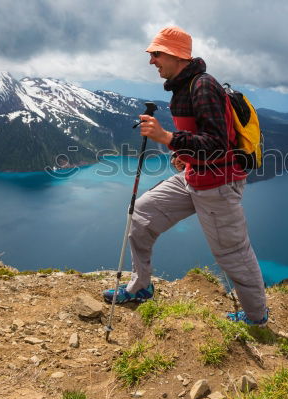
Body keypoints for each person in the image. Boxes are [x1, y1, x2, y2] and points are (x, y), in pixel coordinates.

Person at [102, 26, 269, 325]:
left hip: (219, 184)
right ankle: (141, 287)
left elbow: (217, 144)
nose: (152, 61)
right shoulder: (182, 86)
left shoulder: (203, 86)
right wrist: (183, 153)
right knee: (141, 214)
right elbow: (200, 137)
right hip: (195, 176)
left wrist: (167, 137)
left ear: (176, 54)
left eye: (156, 54)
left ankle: (257, 319)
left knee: (232, 253)